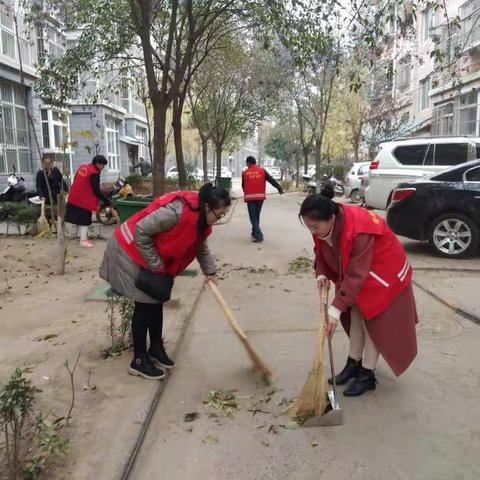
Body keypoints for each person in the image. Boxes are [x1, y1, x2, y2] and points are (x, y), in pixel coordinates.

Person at [99, 183, 231, 380]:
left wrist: (210, 272)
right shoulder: (176, 211)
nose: (218, 219)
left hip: (149, 256)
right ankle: (138, 360)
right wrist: (157, 266)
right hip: (129, 249)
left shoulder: (202, 221)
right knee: (144, 304)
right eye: (218, 215)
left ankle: (155, 348)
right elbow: (141, 231)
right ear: (206, 207)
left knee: (155, 301)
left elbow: (200, 247)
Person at [299, 190, 418, 397]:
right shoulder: (322, 226)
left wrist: (335, 310)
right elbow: (320, 252)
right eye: (308, 226)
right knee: (355, 315)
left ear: (331, 219)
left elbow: (356, 274)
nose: (312, 231)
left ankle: (367, 374)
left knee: (372, 322)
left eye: (315, 227)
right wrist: (321, 274)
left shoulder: (359, 229)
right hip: (360, 272)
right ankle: (354, 363)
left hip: (383, 273)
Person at [65, 155, 113, 248]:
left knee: (78, 219)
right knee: (84, 220)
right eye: (102, 165)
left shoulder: (83, 167)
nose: (103, 167)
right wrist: (107, 201)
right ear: (97, 164)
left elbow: (76, 179)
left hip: (74, 196)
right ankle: (83, 241)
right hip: (83, 200)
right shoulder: (94, 173)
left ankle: (81, 238)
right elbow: (96, 190)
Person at [241, 156, 283, 242]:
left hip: (250, 198)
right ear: (255, 162)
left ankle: (259, 236)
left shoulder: (245, 173)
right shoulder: (262, 171)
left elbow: (243, 186)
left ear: (248, 163)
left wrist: (247, 192)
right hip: (260, 198)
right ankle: (254, 232)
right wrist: (279, 187)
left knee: (253, 217)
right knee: (256, 216)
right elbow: (271, 180)